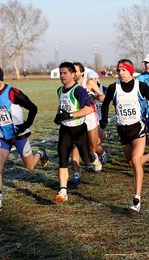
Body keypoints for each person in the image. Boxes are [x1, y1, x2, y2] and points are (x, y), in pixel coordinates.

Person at [0, 64, 49, 212]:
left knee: (30, 166)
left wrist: (26, 124)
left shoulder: (13, 92)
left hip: (19, 135)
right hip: (3, 137)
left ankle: (40, 154)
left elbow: (33, 108)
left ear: (0, 79)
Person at [100, 59, 149, 212]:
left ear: (130, 71)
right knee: (132, 163)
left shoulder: (140, 86)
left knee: (135, 160)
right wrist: (104, 119)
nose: (120, 73)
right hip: (122, 129)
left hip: (137, 128)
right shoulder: (114, 87)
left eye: (123, 70)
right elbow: (106, 103)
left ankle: (136, 200)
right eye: (118, 70)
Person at [53, 62, 95, 202]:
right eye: (60, 73)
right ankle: (63, 191)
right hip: (65, 130)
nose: (62, 76)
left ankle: (94, 157)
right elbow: (62, 105)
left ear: (73, 74)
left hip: (79, 129)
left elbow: (87, 109)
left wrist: (70, 115)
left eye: (65, 73)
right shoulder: (59, 90)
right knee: (63, 159)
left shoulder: (78, 90)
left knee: (86, 159)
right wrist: (59, 116)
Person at [69, 63, 103, 185]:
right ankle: (76, 175)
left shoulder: (88, 83)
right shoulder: (70, 85)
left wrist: (94, 96)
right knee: (75, 146)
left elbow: (102, 96)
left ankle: (99, 156)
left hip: (89, 117)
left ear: (82, 73)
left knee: (93, 147)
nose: (73, 73)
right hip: (76, 119)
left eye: (76, 71)